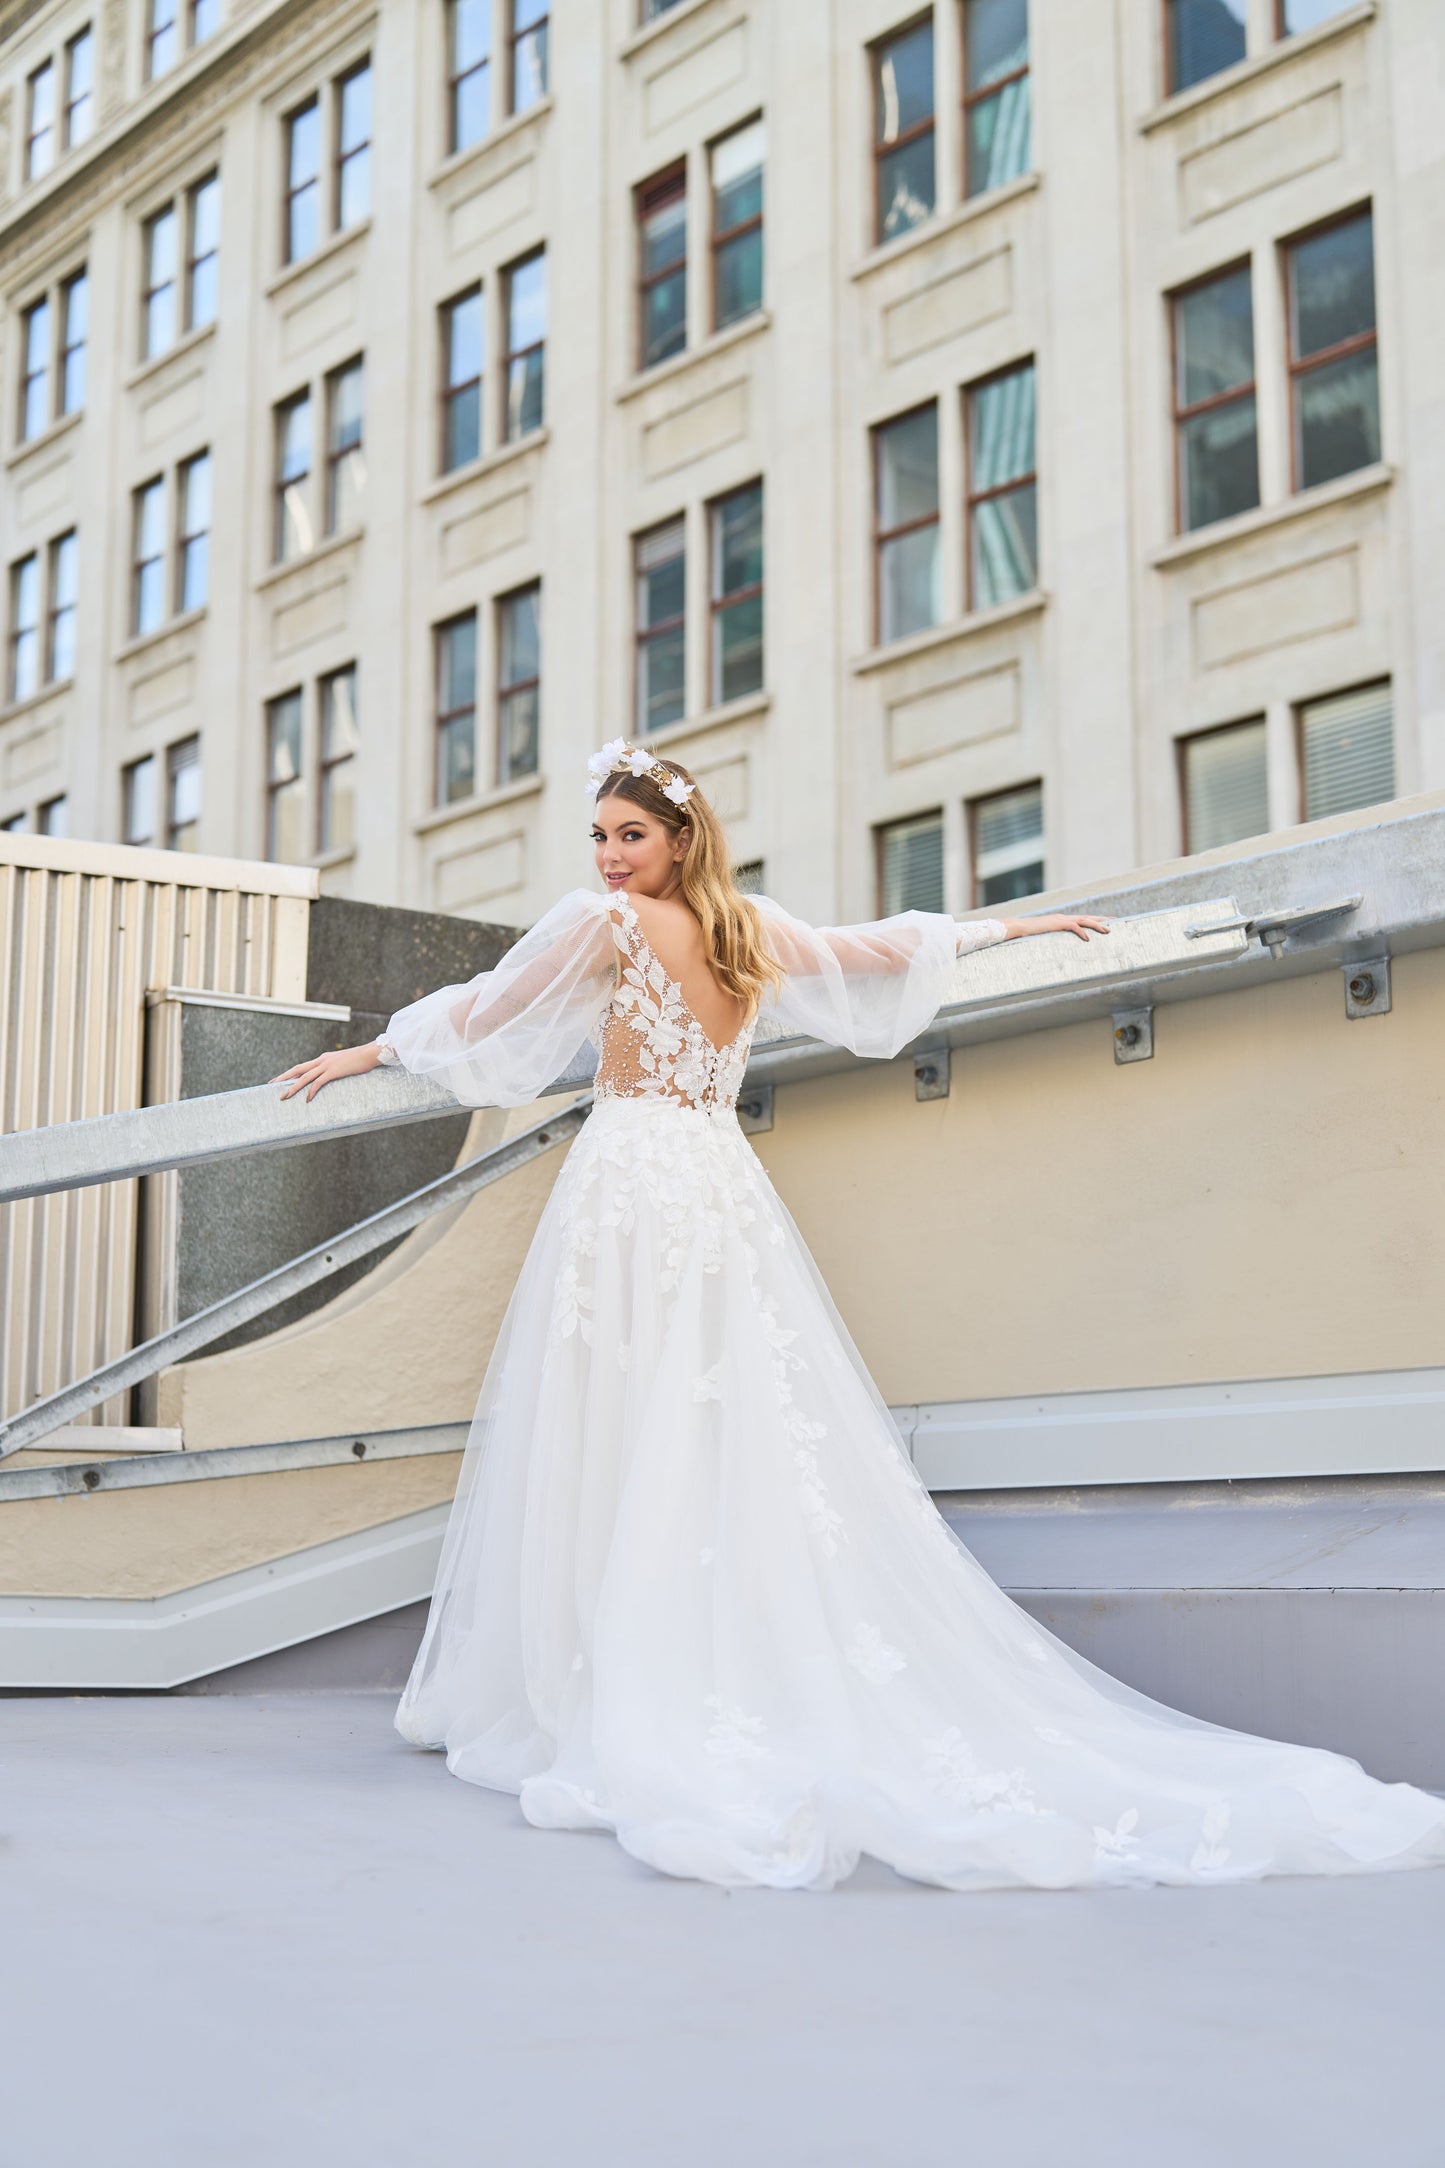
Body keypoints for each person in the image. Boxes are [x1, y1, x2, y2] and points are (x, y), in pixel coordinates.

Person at [274, 743, 1445, 1893]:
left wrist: (370, 1048)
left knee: (622, 1406)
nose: (611, 854)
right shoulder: (747, 925)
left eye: (630, 833)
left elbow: (491, 1012)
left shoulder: (607, 923)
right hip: (715, 1181)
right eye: (600, 836)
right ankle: (664, 1654)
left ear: (682, 838)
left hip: (631, 1177)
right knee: (706, 1411)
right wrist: (1010, 929)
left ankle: (606, 1678)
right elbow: (881, 954)